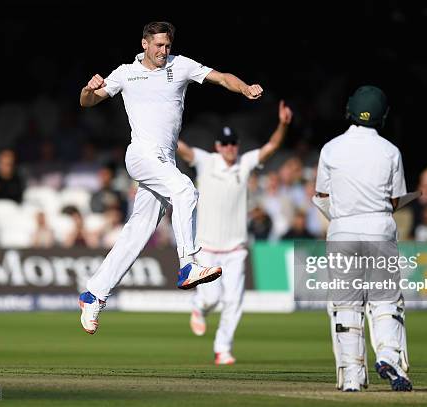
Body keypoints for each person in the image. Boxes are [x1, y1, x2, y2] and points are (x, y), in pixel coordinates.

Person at [77, 21, 263, 335]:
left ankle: (93, 294)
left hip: (165, 158)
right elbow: (88, 101)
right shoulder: (125, 72)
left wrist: (244, 87)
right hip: (140, 154)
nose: (164, 51)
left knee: (138, 231)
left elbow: (220, 77)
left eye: (168, 46)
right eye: (159, 45)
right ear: (145, 44)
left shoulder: (181, 66)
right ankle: (188, 264)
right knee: (185, 189)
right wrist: (87, 88)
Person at [176, 101, 292, 365]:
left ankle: (223, 348)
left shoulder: (245, 162)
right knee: (211, 298)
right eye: (225, 144)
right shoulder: (207, 161)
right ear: (217, 146)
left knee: (234, 301)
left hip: (236, 248)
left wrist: (283, 125)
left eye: (233, 144)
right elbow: (181, 148)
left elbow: (272, 147)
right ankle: (199, 307)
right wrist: (160, 130)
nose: (229, 148)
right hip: (206, 246)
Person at [312, 86, 412, 391]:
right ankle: (389, 357)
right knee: (384, 301)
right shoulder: (390, 151)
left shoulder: (330, 148)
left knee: (346, 306)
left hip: (342, 231)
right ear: (382, 116)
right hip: (379, 229)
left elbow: (322, 195)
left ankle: (353, 376)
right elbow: (395, 200)